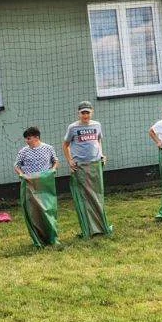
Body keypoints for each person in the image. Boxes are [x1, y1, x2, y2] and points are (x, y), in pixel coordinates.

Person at [62, 101, 113, 239]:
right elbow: (65, 145)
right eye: (83, 113)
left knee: (97, 195)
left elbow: (98, 140)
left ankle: (101, 227)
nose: (85, 115)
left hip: (95, 164)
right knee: (85, 197)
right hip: (80, 166)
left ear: (92, 112)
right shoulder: (73, 127)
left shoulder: (97, 125)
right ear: (78, 114)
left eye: (88, 112)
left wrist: (101, 154)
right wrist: (70, 160)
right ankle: (89, 229)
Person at [14, 127, 60, 247]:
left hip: (45, 184)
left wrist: (53, 170)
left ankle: (52, 237)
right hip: (30, 184)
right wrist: (22, 175)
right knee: (34, 212)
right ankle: (38, 239)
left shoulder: (48, 148)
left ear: (37, 137)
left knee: (47, 209)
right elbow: (17, 166)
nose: (27, 141)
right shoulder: (23, 151)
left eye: (29, 138)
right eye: (26, 139)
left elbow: (55, 161)